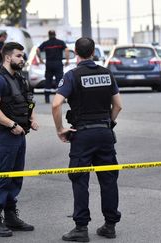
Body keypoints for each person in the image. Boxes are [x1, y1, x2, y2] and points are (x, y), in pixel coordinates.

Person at [52, 37, 122, 242]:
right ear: (93, 52)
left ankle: (81, 229)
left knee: (80, 180)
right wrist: (107, 123)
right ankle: (110, 226)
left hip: (82, 135)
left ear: (76, 52)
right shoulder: (107, 74)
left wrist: (60, 129)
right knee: (108, 180)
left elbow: (56, 104)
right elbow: (118, 105)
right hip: (104, 133)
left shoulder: (72, 76)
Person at [0, 42, 39, 237]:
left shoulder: (19, 78)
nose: (22, 59)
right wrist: (12, 125)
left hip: (20, 134)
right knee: (2, 177)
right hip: (6, 134)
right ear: (7, 57)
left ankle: (10, 216)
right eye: (18, 56)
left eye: (23, 56)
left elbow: (26, 101)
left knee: (15, 176)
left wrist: (31, 118)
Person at [37, 30, 69, 104]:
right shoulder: (60, 42)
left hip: (49, 64)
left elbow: (38, 50)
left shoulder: (46, 43)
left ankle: (47, 99)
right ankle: (61, 98)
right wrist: (67, 60)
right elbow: (67, 50)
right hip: (58, 64)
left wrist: (40, 59)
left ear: (49, 35)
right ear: (55, 34)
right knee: (59, 81)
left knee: (48, 80)